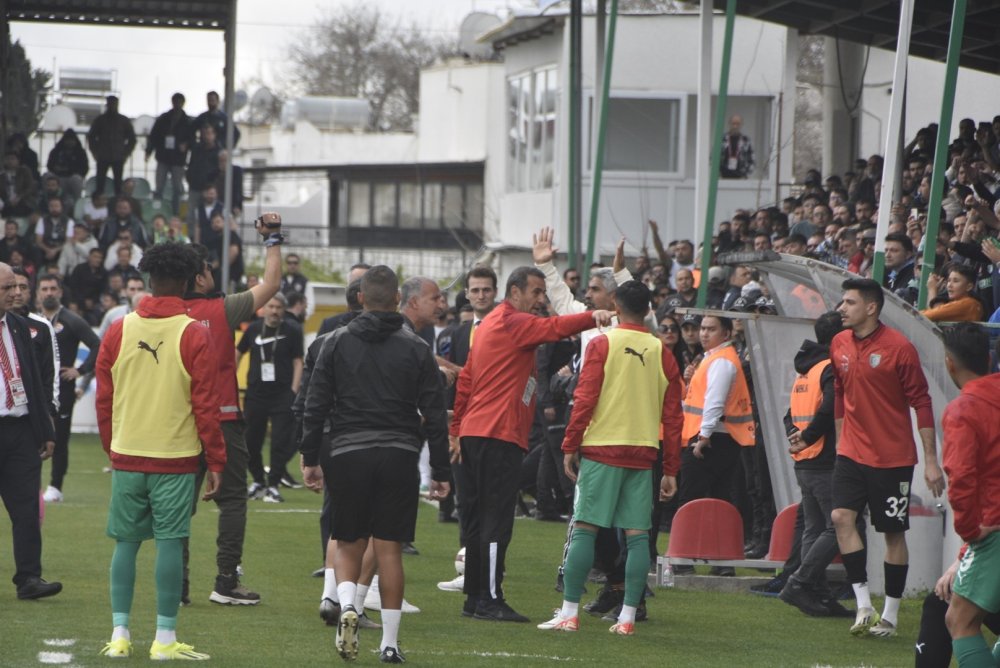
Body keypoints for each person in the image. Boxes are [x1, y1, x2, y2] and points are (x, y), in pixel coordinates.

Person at [301, 265, 450, 663]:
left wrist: (310, 458)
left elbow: (315, 406)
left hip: (348, 452)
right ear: (398, 301)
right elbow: (436, 415)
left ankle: (347, 604)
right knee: (389, 551)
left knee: (349, 541)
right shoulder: (417, 347)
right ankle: (389, 643)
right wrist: (440, 471)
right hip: (399, 455)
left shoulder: (334, 342)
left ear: (361, 298)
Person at [449, 265, 613, 622]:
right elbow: (553, 327)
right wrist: (592, 316)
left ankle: (475, 597)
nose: (541, 300)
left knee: (477, 519)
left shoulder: (491, 323)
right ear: (515, 293)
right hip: (498, 435)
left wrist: (457, 428)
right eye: (536, 292)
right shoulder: (512, 321)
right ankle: (490, 598)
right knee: (496, 520)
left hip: (478, 433)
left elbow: (466, 380)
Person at [94, 243, 224, 660]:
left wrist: (112, 445)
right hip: (176, 458)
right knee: (170, 542)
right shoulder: (193, 332)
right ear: (188, 282)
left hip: (128, 452)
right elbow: (206, 404)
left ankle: (119, 635)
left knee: (125, 543)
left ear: (148, 280)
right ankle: (164, 640)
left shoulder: (119, 329)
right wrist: (216, 460)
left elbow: (104, 397)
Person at [537, 281, 683, 636]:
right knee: (636, 537)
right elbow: (673, 415)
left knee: (585, 527)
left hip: (603, 448)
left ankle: (570, 612)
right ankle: (628, 617)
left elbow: (585, 398)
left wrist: (570, 445)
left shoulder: (603, 343)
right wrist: (670, 469)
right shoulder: (662, 351)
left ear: (615, 304)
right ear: (649, 308)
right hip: (643, 452)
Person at [830, 278, 945, 638]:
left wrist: (930, 460)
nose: (841, 308)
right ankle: (863, 604)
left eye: (849, 302)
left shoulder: (900, 348)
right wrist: (838, 442)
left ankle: (890, 617)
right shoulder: (838, 343)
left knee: (893, 533)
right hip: (851, 452)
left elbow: (922, 402)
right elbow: (838, 393)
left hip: (892, 458)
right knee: (840, 517)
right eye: (842, 302)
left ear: (871, 308)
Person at [180, 213, 283, 606]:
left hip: (179, 424)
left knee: (177, 506)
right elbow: (272, 283)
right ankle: (226, 582)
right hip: (222, 420)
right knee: (234, 500)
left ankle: (178, 584)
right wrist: (272, 238)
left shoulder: (156, 314)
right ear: (202, 277)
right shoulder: (222, 309)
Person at [778, 311, 854, 618]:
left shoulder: (806, 368)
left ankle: (817, 594)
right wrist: (808, 437)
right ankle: (800, 582)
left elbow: (789, 414)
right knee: (841, 525)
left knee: (814, 528)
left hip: (805, 462)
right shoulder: (830, 368)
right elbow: (829, 408)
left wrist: (796, 437)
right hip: (823, 459)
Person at [939, 323, 1000, 666]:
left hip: (994, 528)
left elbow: (961, 478)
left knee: (959, 620)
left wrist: (971, 532)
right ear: (989, 357)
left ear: (949, 362)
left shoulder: (964, 409)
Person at [0, 262, 61, 601]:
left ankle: (29, 578)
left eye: (18, 287)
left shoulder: (23, 328)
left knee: (26, 509)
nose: (16, 293)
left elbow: (35, 383)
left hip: (20, 429)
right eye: (7, 288)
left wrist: (45, 429)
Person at [677, 315, 753, 519]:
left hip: (712, 438)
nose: (703, 333)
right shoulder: (715, 358)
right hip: (716, 436)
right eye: (702, 328)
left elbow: (715, 402)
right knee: (717, 497)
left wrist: (704, 436)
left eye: (711, 329)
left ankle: (687, 547)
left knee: (690, 498)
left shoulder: (721, 361)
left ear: (726, 333)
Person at [36, 274, 101, 503]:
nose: (49, 293)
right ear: (38, 293)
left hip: (63, 388)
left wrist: (80, 371)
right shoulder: (33, 321)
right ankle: (29, 483)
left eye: (53, 288)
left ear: (60, 292)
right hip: (36, 388)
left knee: (59, 437)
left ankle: (56, 486)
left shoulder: (71, 320)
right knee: (30, 435)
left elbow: (97, 344)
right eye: (45, 288)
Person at [238, 292, 303, 502]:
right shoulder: (254, 329)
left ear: (283, 310)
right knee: (250, 441)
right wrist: (229, 381)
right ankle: (258, 480)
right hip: (256, 394)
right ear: (264, 308)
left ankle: (273, 485)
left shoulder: (292, 331)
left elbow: (298, 361)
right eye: (271, 306)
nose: (274, 311)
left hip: (282, 395)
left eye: (278, 307)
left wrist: (293, 390)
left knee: (279, 442)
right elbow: (237, 354)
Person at [146, 92, 192, 215]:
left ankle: (175, 213)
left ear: (183, 103)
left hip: (178, 159)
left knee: (177, 187)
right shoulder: (163, 118)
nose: (177, 104)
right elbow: (153, 136)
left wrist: (187, 144)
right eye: (175, 101)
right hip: (163, 157)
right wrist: (148, 151)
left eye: (179, 102)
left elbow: (192, 139)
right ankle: (158, 211)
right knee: (159, 186)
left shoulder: (187, 121)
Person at [86, 95, 136, 197]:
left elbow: (132, 139)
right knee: (100, 185)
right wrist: (95, 152)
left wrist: (125, 153)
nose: (112, 106)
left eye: (114, 104)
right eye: (111, 104)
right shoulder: (100, 120)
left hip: (118, 157)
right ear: (107, 105)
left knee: (118, 185)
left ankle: (117, 205)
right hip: (103, 156)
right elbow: (91, 137)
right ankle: (99, 203)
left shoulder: (123, 120)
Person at [46, 129, 89, 205]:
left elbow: (85, 168)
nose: (69, 142)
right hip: (58, 178)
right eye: (67, 140)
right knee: (47, 176)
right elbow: (50, 165)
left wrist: (71, 170)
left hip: (73, 178)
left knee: (76, 179)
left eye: (72, 140)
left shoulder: (80, 152)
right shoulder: (56, 151)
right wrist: (57, 169)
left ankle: (77, 205)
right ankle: (49, 202)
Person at [720, 114, 754, 179]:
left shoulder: (746, 140)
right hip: (723, 177)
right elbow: (713, 158)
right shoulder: (722, 139)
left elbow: (752, 160)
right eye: (733, 123)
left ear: (741, 125)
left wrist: (746, 174)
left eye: (738, 124)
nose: (735, 126)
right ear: (729, 124)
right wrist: (718, 174)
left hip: (741, 177)